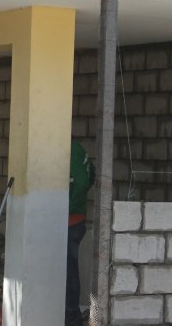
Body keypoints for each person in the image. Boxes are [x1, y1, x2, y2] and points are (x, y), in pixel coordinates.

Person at [66, 139, 94, 326]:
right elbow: (91, 175)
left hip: (70, 222)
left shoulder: (70, 149)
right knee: (65, 272)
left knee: (68, 274)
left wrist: (69, 209)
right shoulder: (74, 149)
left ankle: (71, 318)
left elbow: (84, 181)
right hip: (68, 220)